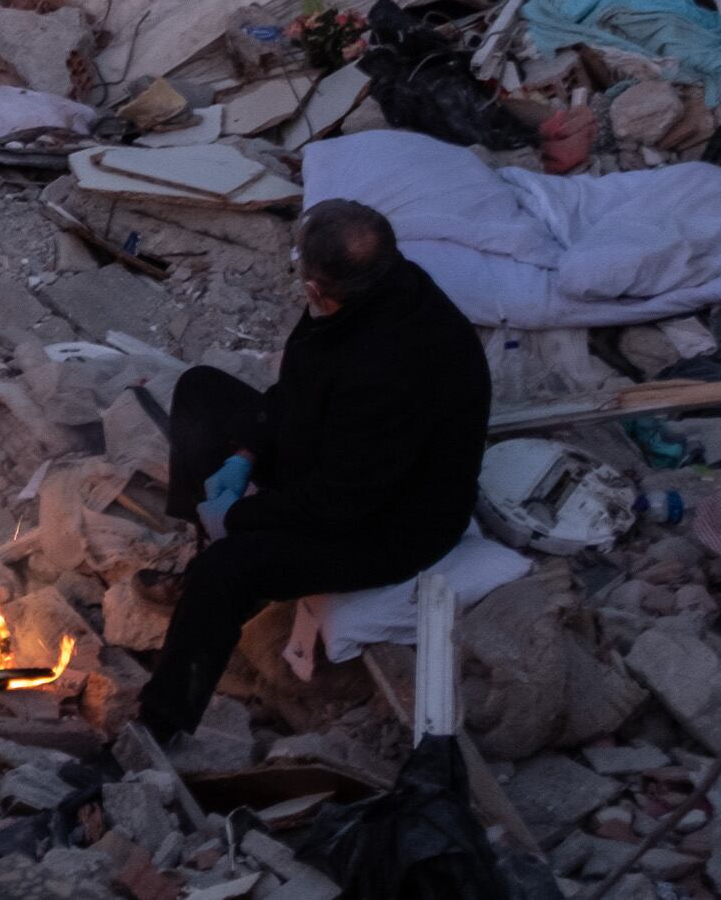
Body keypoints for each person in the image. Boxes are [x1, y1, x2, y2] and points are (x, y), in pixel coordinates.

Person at [134, 199, 491, 743]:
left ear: (323, 287)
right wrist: (245, 456)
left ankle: (160, 724)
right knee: (202, 390)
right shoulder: (363, 296)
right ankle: (206, 557)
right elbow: (296, 388)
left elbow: (342, 503)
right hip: (335, 457)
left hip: (389, 525)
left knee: (229, 569)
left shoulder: (395, 365)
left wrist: (245, 514)